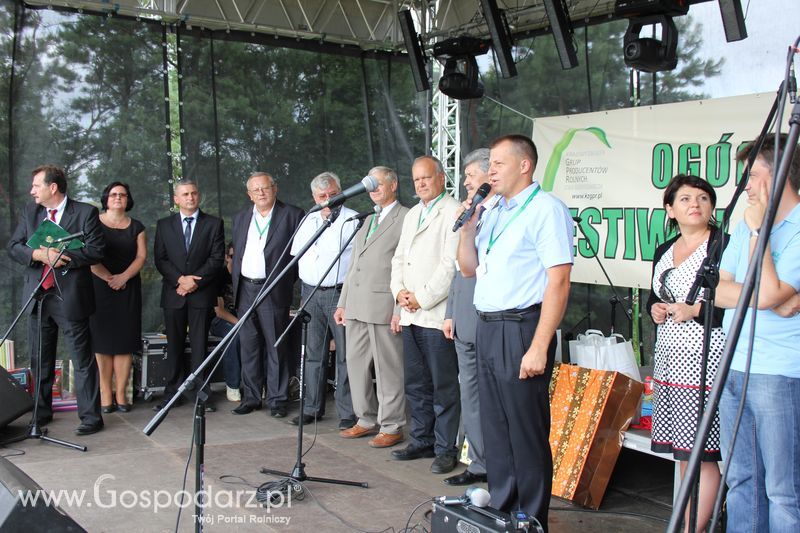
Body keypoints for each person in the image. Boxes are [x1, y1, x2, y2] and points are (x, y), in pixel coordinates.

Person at [457, 135, 573, 530]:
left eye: (498, 164)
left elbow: (559, 282)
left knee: (525, 429)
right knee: (496, 428)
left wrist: (539, 345)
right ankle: (503, 510)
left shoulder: (546, 209)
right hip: (487, 326)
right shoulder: (493, 211)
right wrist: (467, 230)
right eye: (489, 164)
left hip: (522, 328)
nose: (490, 172)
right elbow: (468, 269)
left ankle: (531, 520)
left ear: (524, 165)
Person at [715, 135, 800, 533]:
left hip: (779, 373)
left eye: (752, 175)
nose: (745, 185)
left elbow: (763, 292)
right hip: (734, 364)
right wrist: (770, 298)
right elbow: (719, 290)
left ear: (779, 174)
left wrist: (757, 232)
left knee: (783, 490)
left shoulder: (786, 227)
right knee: (740, 480)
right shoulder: (742, 221)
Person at [645, 174, 725, 531]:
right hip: (670, 362)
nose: (695, 204)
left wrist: (695, 310)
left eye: (703, 198)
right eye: (686, 199)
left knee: (703, 453)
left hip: (705, 360)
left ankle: (694, 526)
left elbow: (737, 303)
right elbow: (654, 295)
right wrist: (655, 309)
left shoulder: (722, 246)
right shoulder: (665, 249)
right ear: (670, 209)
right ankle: (687, 520)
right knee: (684, 450)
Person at [7, 164, 105, 435]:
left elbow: (97, 250)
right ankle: (41, 413)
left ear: (53, 187)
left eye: (36, 186)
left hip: (69, 296)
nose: (32, 191)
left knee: (82, 360)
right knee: (40, 359)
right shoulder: (30, 212)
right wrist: (39, 255)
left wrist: (62, 256)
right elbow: (13, 246)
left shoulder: (85, 212)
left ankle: (91, 418)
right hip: (38, 295)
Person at [390, 155, 461, 474]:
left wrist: (421, 298)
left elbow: (450, 266)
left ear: (441, 178)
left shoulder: (454, 210)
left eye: (426, 177)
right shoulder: (412, 214)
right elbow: (398, 259)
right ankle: (421, 440)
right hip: (409, 314)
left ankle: (445, 448)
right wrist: (399, 293)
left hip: (435, 314)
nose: (420, 184)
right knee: (416, 384)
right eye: (416, 179)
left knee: (443, 387)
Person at [334, 166, 409, 448]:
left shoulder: (406, 216)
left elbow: (406, 267)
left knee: (388, 369)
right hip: (356, 305)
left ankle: (392, 425)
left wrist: (399, 310)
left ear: (394, 185)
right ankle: (365, 419)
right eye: (370, 184)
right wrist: (343, 303)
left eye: (379, 183)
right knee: (355, 366)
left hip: (384, 306)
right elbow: (353, 264)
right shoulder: (366, 219)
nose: (373, 189)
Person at [230, 172, 303, 418]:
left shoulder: (292, 214)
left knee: (275, 345)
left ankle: (277, 399)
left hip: (273, 289)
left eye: (265, 187)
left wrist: (284, 283)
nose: (261, 192)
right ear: (249, 194)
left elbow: (298, 256)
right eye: (255, 189)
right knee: (249, 346)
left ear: (275, 189)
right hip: (246, 289)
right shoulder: (241, 217)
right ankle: (251, 397)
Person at [289, 172, 358, 430]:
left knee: (346, 354)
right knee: (313, 353)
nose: (328, 200)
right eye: (322, 196)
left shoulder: (353, 219)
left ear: (341, 192)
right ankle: (311, 408)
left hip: (340, 294)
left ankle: (347, 412)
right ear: (314, 197)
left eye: (333, 194)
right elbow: (298, 255)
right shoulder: (307, 219)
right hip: (310, 292)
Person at [442, 148, 493, 486]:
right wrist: (450, 312)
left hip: (490, 321)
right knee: (470, 396)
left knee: (490, 398)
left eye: (471, 176)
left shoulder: (501, 212)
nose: (466, 183)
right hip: (463, 319)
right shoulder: (471, 214)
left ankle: (496, 462)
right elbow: (458, 269)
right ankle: (478, 462)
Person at [153, 178, 225, 412]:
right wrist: (180, 280)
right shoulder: (164, 225)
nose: (190, 197)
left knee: (200, 346)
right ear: (176, 199)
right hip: (174, 294)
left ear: (198, 195)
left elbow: (216, 258)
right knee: (174, 346)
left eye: (193, 193)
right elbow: (160, 259)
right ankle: (173, 393)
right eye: (185, 194)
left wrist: (193, 282)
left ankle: (201, 394)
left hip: (201, 295)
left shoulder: (214, 224)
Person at [89, 182, 146, 414]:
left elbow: (141, 257)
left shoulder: (137, 226)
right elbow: (88, 256)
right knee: (102, 343)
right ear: (106, 198)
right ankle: (105, 393)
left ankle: (121, 394)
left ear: (128, 199)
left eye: (122, 194)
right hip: (98, 287)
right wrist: (108, 278)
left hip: (127, 287)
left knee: (124, 342)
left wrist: (123, 278)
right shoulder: (93, 223)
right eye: (113, 194)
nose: (118, 197)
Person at [208, 242, 242, 403]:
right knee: (233, 335)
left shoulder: (246, 277)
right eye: (233, 256)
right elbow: (219, 311)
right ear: (226, 257)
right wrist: (240, 323)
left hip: (242, 318)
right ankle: (232, 385)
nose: (237, 260)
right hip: (220, 320)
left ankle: (261, 384)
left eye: (241, 256)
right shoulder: (219, 277)